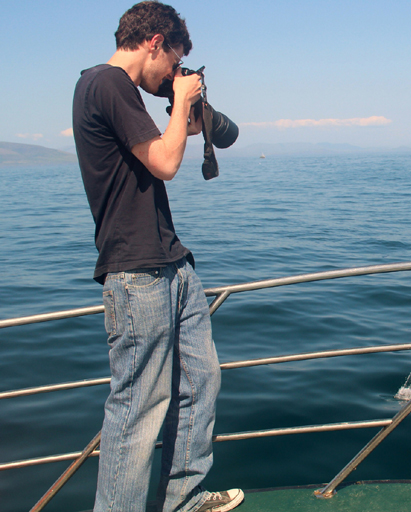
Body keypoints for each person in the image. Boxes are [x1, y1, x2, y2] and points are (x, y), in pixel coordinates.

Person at [72, 2, 244, 511]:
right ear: (155, 42)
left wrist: (188, 115)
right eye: (174, 61)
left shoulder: (119, 93)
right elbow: (166, 163)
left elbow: (164, 146)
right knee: (139, 407)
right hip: (136, 271)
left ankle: (184, 499)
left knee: (200, 382)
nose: (174, 72)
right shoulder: (106, 83)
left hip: (170, 262)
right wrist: (184, 93)